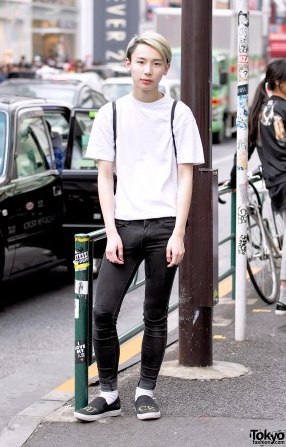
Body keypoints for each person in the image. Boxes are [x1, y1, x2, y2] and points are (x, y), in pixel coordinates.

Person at [74, 32, 204, 422]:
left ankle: (145, 391)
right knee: (102, 311)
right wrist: (111, 231)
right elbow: (104, 175)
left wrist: (179, 231)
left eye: (157, 63)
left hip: (164, 226)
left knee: (154, 314)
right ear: (128, 64)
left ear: (166, 68)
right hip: (124, 227)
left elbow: (185, 177)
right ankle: (110, 394)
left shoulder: (177, 114)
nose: (148, 70)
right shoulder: (110, 113)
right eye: (141, 61)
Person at [227, 58, 286, 316]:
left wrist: (232, 178)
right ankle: (283, 296)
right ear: (279, 83)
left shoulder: (260, 110)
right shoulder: (282, 108)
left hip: (276, 183)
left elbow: (245, 149)